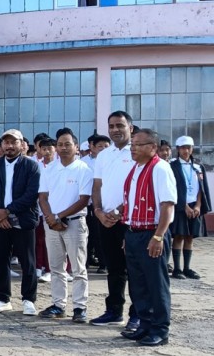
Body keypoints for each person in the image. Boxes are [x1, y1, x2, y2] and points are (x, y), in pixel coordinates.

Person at [118, 128, 176, 347]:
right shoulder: (136, 168)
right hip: (134, 232)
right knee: (138, 284)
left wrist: (158, 236)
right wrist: (129, 233)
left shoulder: (160, 168)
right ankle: (145, 325)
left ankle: (160, 330)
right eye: (132, 144)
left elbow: (167, 205)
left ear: (152, 147)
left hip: (152, 233)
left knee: (156, 284)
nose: (133, 148)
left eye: (138, 145)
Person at [0, 129, 41, 315]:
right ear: (2, 145)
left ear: (22, 145)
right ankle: (2, 298)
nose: (9, 146)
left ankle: (28, 300)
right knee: (1, 260)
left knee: (27, 261)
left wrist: (7, 211)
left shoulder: (31, 166)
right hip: (0, 221)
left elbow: (31, 194)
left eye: (13, 142)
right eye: (6, 142)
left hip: (23, 220)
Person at [37, 128, 93, 323]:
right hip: (51, 224)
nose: (63, 148)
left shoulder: (83, 169)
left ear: (76, 147)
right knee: (56, 267)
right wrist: (50, 218)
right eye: (60, 144)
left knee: (78, 268)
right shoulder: (49, 169)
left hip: (74, 223)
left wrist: (59, 216)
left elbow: (83, 200)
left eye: (67, 144)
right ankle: (58, 305)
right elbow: (43, 197)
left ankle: (79, 307)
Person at [90, 111, 139, 331]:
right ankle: (114, 311)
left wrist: (120, 211)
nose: (115, 130)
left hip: (130, 220)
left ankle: (137, 315)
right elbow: (97, 186)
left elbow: (138, 187)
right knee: (114, 268)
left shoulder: (137, 153)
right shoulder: (104, 155)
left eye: (120, 125)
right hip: (106, 220)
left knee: (134, 269)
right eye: (111, 126)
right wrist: (99, 211)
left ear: (131, 128)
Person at [169, 136, 209, 280]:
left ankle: (187, 268)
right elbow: (172, 188)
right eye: (183, 148)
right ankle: (177, 269)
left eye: (189, 148)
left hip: (194, 205)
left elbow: (201, 188)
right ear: (178, 149)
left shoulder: (198, 166)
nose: (186, 151)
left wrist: (198, 205)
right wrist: (184, 206)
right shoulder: (172, 165)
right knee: (179, 236)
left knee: (190, 236)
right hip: (179, 206)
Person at [84, 133, 112, 274]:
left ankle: (103, 263)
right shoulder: (83, 162)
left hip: (106, 203)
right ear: (92, 147)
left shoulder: (112, 161)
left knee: (102, 234)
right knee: (89, 234)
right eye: (100, 146)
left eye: (106, 146)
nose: (103, 149)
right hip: (88, 204)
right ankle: (87, 260)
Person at [35, 138, 57, 284]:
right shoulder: (36, 166)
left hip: (53, 209)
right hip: (37, 208)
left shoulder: (58, 166)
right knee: (38, 240)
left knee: (51, 241)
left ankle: (49, 270)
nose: (47, 151)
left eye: (50, 148)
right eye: (44, 148)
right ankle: (38, 267)